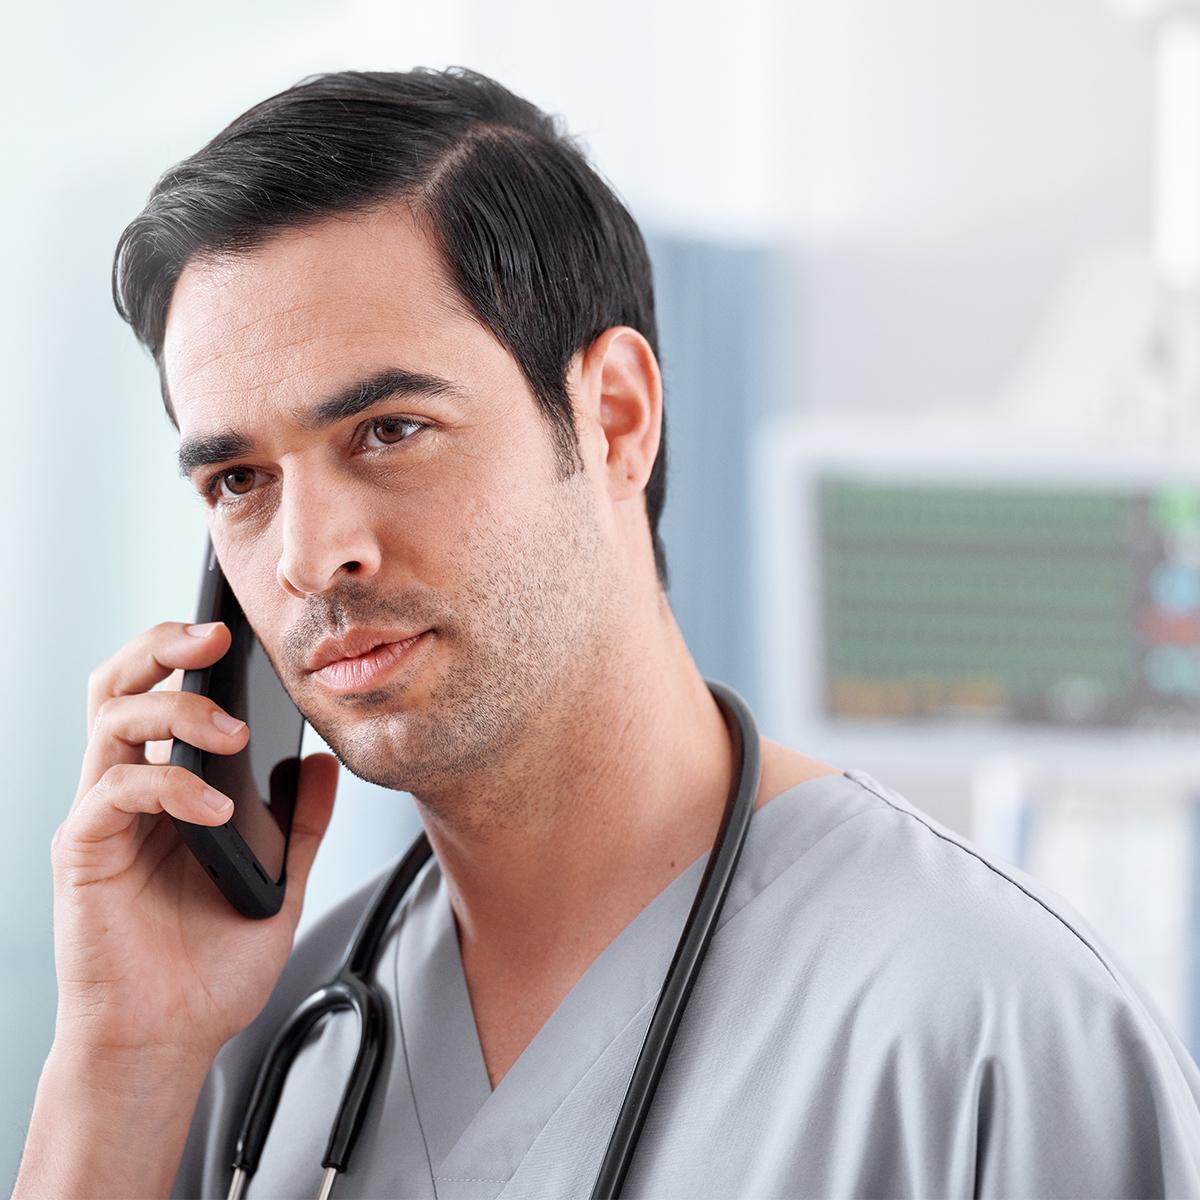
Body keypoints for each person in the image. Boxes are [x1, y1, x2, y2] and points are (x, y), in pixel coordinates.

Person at [14, 67, 1200, 1200]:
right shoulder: (251, 1045)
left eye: (388, 430)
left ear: (616, 416)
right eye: (237, 480)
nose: (309, 557)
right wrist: (120, 1063)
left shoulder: (988, 1028)